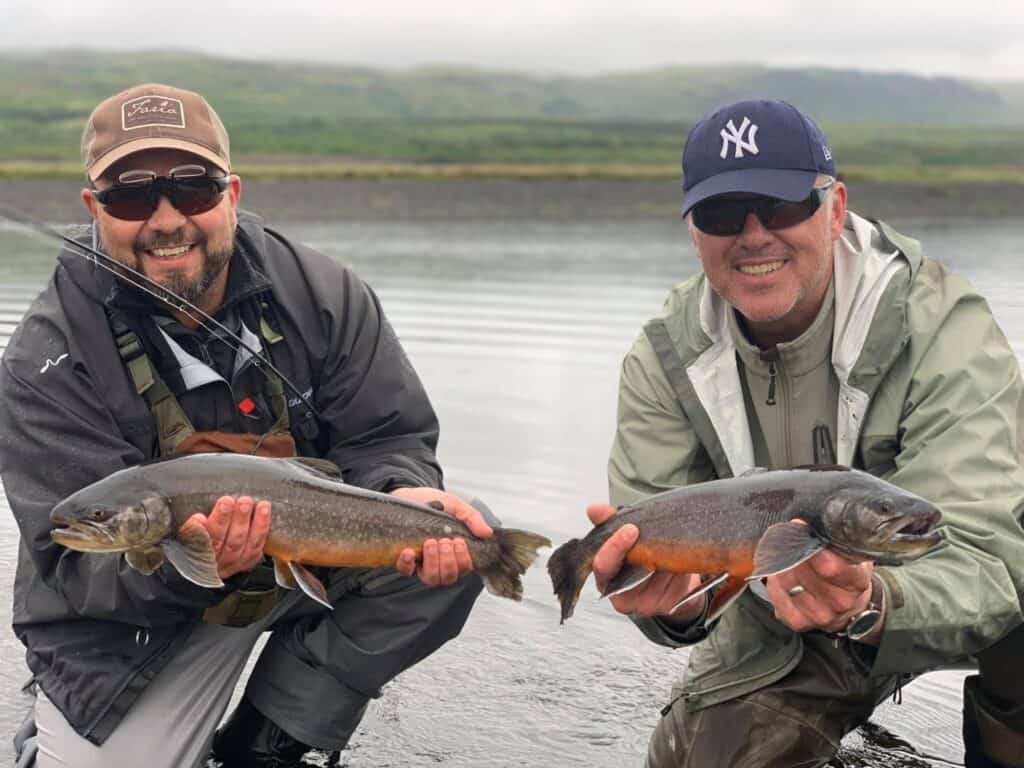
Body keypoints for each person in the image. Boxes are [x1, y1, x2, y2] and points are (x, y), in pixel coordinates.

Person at [0, 83, 493, 768]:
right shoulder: (44, 358)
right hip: (134, 624)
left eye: (194, 189)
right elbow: (72, 567)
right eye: (132, 195)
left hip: (308, 553)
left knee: (459, 534)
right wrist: (192, 566)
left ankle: (270, 737)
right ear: (94, 209)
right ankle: (55, 729)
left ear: (231, 193)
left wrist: (404, 489)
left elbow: (389, 437)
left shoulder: (323, 294)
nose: (167, 219)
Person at [586, 99, 1024, 767]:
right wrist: (669, 610)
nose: (755, 235)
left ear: (837, 207)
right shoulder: (665, 358)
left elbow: (985, 554)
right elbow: (671, 585)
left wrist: (874, 600)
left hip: (970, 584)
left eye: (784, 205)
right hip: (784, 610)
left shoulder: (943, 326)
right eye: (723, 214)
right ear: (692, 230)